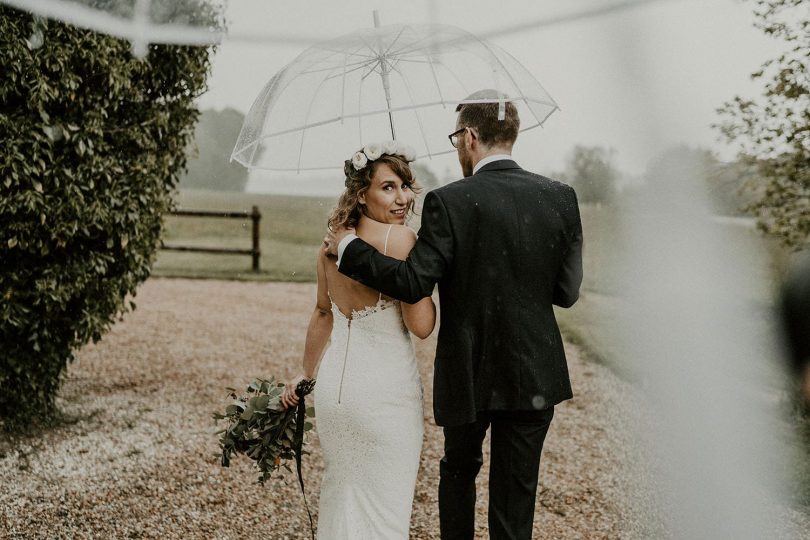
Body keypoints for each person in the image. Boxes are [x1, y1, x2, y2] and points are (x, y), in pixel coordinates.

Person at [325, 89, 584, 540]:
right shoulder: (560, 197)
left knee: (459, 475)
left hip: (470, 368)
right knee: (516, 495)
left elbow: (411, 283)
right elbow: (566, 292)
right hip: (535, 374)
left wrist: (348, 248)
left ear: (468, 137)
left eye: (454, 139)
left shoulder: (451, 201)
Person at [281, 143, 436, 539]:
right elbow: (421, 326)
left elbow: (321, 314)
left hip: (336, 394)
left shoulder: (329, 246)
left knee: (343, 496)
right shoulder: (400, 242)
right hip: (385, 397)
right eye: (388, 187)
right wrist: (432, 278)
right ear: (360, 193)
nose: (402, 198)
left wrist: (305, 374)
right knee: (385, 507)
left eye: (404, 185)